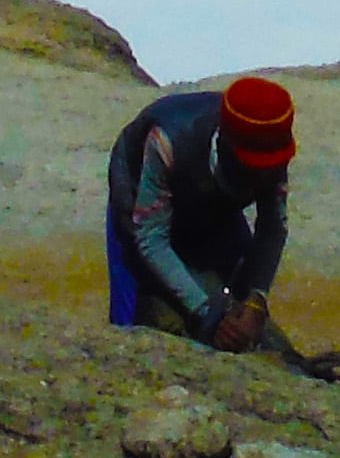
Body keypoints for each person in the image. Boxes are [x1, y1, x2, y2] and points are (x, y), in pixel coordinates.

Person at [105, 76, 297, 344]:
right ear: (227, 149)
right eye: (252, 170)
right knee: (138, 308)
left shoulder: (272, 151)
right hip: (141, 197)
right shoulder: (167, 141)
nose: (263, 180)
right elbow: (150, 237)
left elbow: (272, 229)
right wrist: (207, 311)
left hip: (214, 200)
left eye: (270, 171)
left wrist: (256, 299)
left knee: (238, 291)